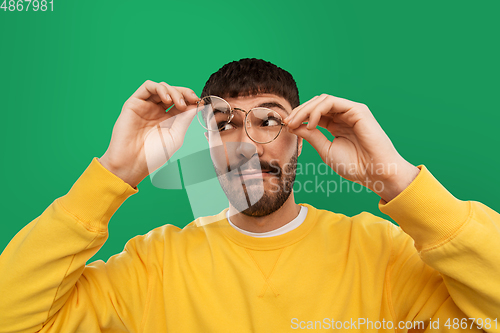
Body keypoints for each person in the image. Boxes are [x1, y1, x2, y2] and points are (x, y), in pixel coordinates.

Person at [0, 58, 498, 333]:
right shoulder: (154, 265)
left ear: (302, 132)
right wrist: (115, 171)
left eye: (269, 121)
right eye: (224, 126)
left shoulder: (380, 253)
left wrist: (397, 179)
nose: (246, 146)